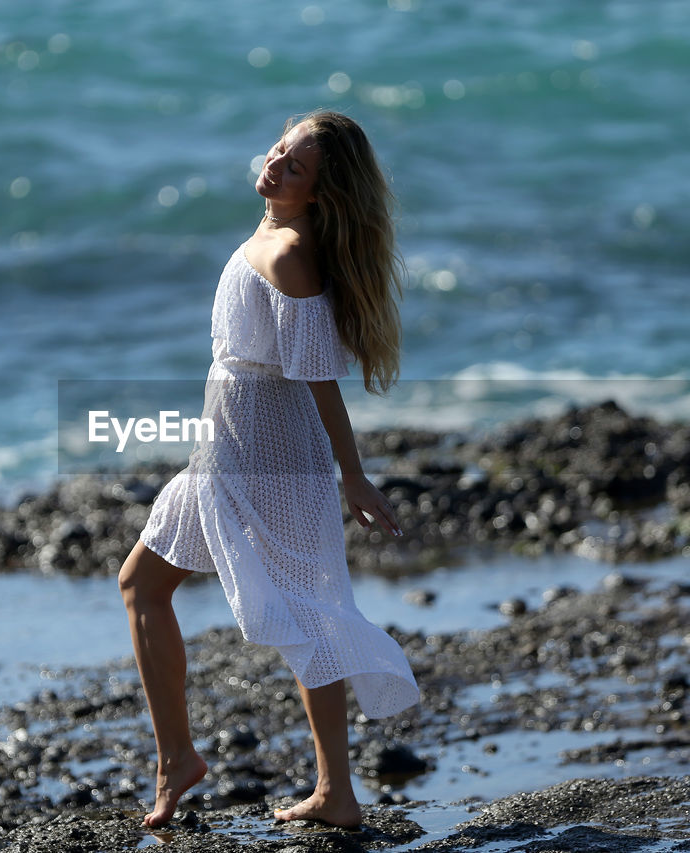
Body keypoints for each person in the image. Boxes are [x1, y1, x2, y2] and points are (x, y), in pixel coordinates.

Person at [117, 109, 420, 831]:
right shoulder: (272, 232)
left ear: (319, 193)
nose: (277, 164)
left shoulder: (288, 253)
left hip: (269, 451)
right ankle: (180, 758)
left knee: (307, 611)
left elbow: (319, 377)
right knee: (143, 585)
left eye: (297, 165)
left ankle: (332, 792)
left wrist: (351, 475)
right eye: (281, 149)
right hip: (228, 440)